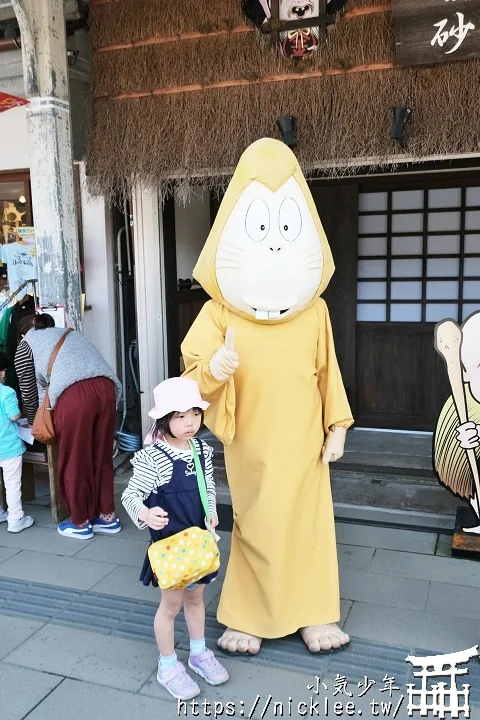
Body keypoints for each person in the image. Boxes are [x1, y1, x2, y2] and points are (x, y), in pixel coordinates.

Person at [182, 138, 353, 655]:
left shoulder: (315, 313)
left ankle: (312, 611)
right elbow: (193, 372)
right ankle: (250, 614)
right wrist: (214, 366)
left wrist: (338, 426)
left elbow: (329, 374)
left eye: (284, 227)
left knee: (308, 524)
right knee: (254, 523)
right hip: (251, 441)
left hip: (303, 441)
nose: (275, 243)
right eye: (261, 227)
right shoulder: (220, 313)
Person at [121, 377, 229, 701]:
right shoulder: (152, 458)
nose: (189, 422)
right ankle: (167, 665)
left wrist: (211, 509)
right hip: (170, 548)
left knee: (197, 599)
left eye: (194, 413)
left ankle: (198, 653)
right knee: (170, 607)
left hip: (199, 545)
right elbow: (130, 495)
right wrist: (145, 514)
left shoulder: (201, 449)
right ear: (165, 420)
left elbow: (208, 485)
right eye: (180, 416)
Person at [14, 314, 122, 540]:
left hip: (75, 395)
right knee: (101, 456)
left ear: (23, 333)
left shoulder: (25, 345)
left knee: (74, 458)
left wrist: (36, 425)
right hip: (107, 389)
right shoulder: (68, 332)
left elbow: (29, 394)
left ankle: (80, 522)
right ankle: (107, 517)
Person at [0, 351, 34, 533]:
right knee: (12, 483)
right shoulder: (6, 392)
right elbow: (14, 416)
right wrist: (20, 415)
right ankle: (15, 519)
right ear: (3, 372)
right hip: (8, 447)